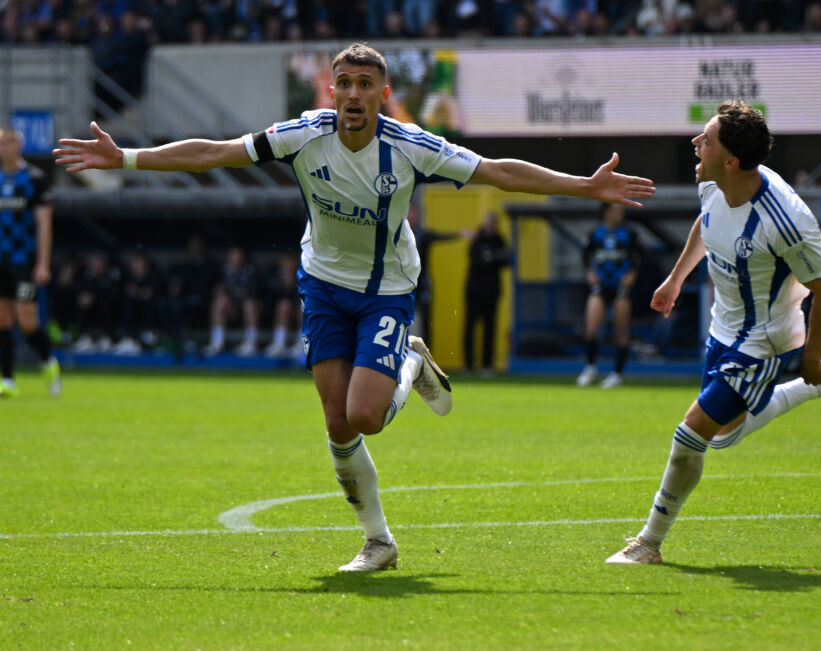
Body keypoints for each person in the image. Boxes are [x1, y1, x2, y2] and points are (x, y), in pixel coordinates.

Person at [54, 43, 656, 572]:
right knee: (336, 422)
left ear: (383, 96)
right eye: (344, 83)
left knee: (365, 415)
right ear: (332, 91)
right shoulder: (302, 135)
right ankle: (378, 542)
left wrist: (584, 186)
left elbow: (497, 171)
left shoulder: (411, 146)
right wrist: (127, 158)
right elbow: (215, 153)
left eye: (365, 85)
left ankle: (411, 364)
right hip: (321, 283)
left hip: (386, 288)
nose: (352, 94)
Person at [605, 101, 821, 566]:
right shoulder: (713, 182)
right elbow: (706, 225)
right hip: (723, 327)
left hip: (763, 341)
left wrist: (810, 352)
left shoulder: (786, 219)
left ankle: (649, 543)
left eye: (706, 139)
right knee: (723, 436)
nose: (695, 143)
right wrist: (676, 278)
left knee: (690, 435)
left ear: (732, 160)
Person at [0, 127, 62, 397]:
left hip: (23, 260)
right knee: (2, 320)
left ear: (20, 146)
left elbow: (44, 225)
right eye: (2, 143)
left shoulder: (35, 179)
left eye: (11, 142)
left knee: (27, 321)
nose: (6, 147)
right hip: (0, 260)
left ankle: (49, 361)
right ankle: (8, 380)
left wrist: (43, 263)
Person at [576, 202, 642, 389]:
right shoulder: (595, 233)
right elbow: (585, 257)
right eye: (615, 210)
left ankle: (617, 374)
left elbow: (639, 259)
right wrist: (589, 272)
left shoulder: (629, 234)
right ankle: (590, 367)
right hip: (601, 285)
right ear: (606, 212)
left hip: (621, 286)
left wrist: (632, 275)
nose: (619, 214)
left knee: (621, 332)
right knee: (591, 327)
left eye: (620, 210)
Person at [408, 203, 470, 349]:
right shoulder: (399, 235)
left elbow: (440, 236)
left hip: (422, 285)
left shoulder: (423, 235)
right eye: (409, 213)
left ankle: (426, 358)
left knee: (425, 321)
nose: (412, 216)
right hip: (404, 286)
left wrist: (459, 234)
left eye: (414, 213)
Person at [463, 211, 509, 375]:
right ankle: (468, 365)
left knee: (490, 328)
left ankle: (486, 365)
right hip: (474, 290)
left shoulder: (499, 239)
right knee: (471, 326)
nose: (491, 226)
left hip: (492, 291)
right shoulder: (477, 238)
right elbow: (477, 260)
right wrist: (493, 258)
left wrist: (491, 258)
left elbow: (506, 260)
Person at [205, 245, 261, 356]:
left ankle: (251, 343)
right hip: (231, 307)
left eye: (238, 255)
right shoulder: (225, 271)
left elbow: (254, 293)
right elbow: (221, 290)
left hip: (249, 307)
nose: (235, 258)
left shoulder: (252, 271)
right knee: (219, 302)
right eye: (233, 255)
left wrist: (237, 300)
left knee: (249, 304)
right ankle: (217, 342)